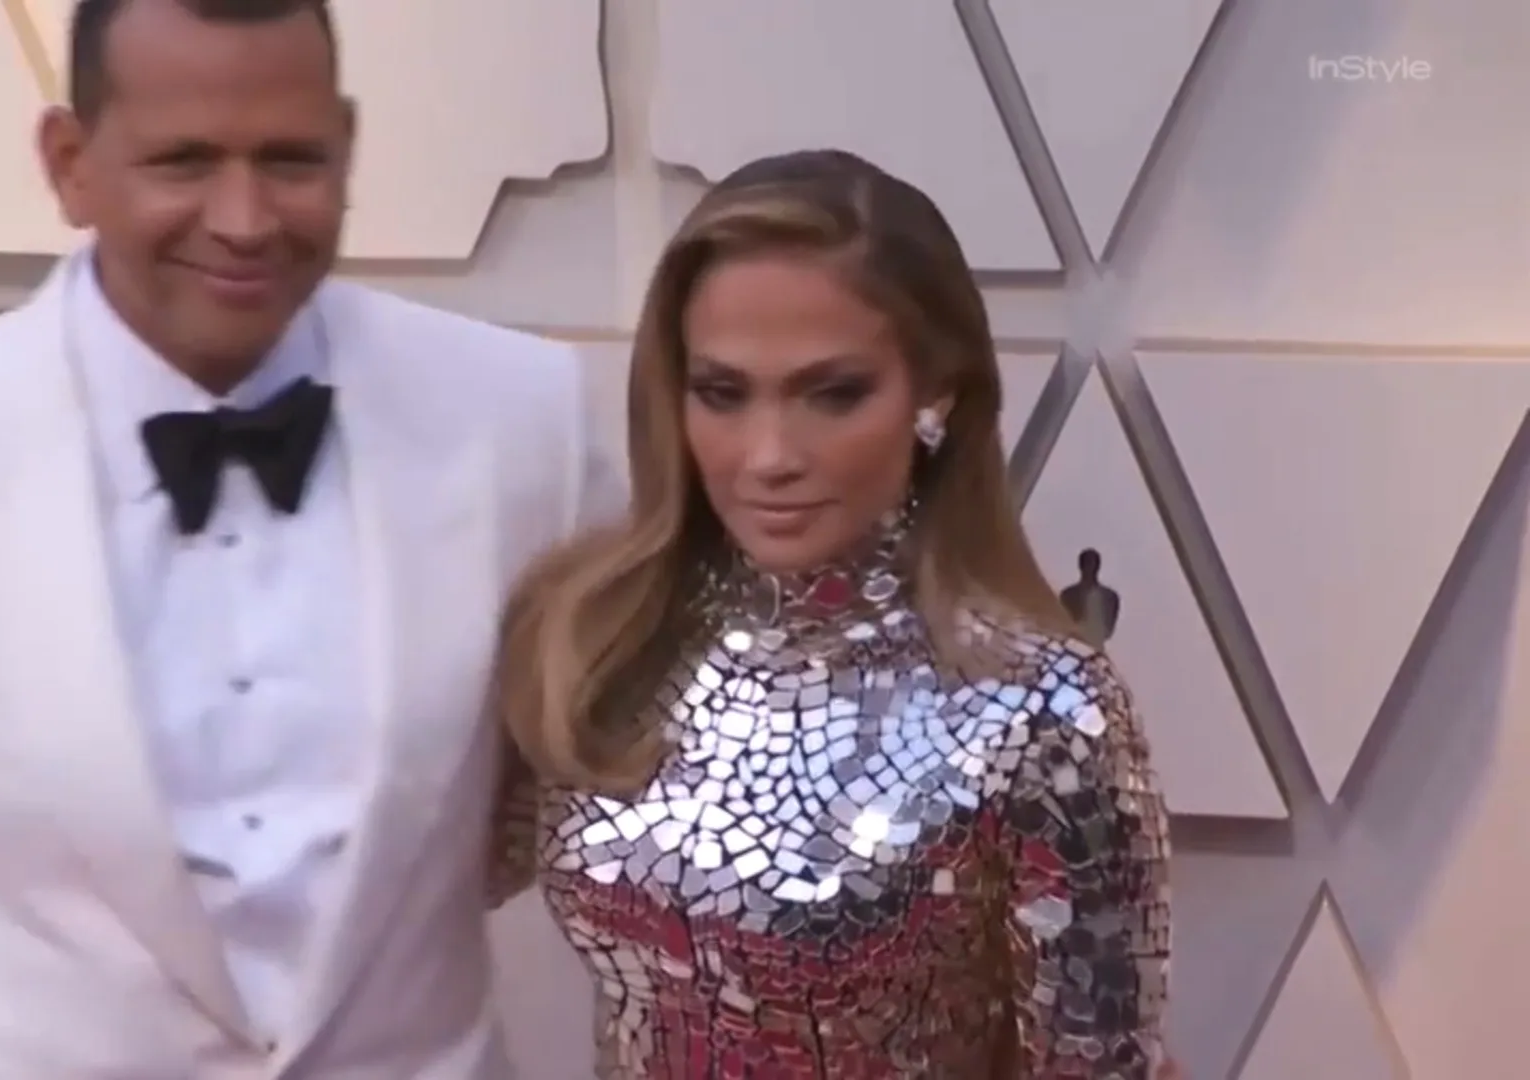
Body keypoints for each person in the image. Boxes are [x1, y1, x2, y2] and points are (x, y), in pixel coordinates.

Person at [0, 0, 622, 1077]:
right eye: (184, 161)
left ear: (347, 148)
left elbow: (646, 763)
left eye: (291, 159)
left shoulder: (527, 419)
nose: (244, 220)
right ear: (70, 164)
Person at [491, 150, 1173, 1077]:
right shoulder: (595, 631)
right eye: (722, 393)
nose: (769, 455)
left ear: (936, 394)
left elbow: (1099, 1063)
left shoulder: (1041, 709)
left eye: (833, 393)